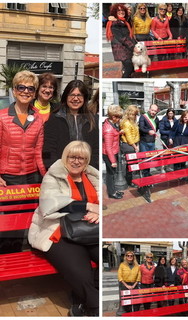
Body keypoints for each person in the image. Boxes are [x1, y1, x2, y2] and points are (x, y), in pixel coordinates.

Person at [28, 141, 99, 317]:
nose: (76, 161)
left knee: (106, 260)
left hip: (90, 230)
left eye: (81, 158)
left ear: (87, 160)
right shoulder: (53, 175)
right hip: (57, 231)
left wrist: (99, 214)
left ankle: (81, 302)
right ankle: (94, 308)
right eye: (72, 157)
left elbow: (103, 205)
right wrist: (89, 206)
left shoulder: (93, 176)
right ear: (65, 157)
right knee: (82, 275)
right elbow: (49, 206)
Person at [0, 70, 46, 253]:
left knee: (25, 220)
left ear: (34, 93)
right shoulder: (2, 116)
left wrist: (44, 177)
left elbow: (38, 152)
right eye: (21, 87)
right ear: (14, 90)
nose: (26, 91)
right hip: (7, 178)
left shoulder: (38, 118)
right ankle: (5, 258)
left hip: (30, 177)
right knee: (6, 222)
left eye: (30, 88)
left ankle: (17, 253)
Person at [43, 80, 99, 170]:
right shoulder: (55, 118)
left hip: (87, 170)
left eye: (79, 95)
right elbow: (48, 149)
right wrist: (55, 169)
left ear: (84, 98)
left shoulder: (92, 119)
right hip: (61, 170)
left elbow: (96, 148)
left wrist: (90, 168)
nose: (75, 99)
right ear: (65, 97)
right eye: (72, 95)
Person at [106, 3, 136, 78]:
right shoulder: (116, 23)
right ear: (115, 12)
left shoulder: (124, 22)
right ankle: (124, 79)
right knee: (129, 67)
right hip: (121, 49)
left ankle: (127, 78)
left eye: (123, 10)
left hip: (125, 49)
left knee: (130, 68)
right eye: (118, 10)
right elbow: (122, 38)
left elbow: (129, 36)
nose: (121, 12)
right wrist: (133, 47)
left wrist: (136, 44)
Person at [102, 105, 124, 199]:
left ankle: (113, 190)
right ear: (114, 117)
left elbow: (112, 138)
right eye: (119, 117)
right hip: (109, 154)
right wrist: (113, 161)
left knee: (112, 174)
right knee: (111, 174)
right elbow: (108, 147)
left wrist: (119, 133)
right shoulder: (108, 129)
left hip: (111, 153)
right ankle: (112, 193)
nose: (120, 119)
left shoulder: (110, 124)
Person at [120, 105, 140, 187]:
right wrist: (135, 147)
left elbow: (136, 134)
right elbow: (129, 137)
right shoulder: (126, 123)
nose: (136, 116)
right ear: (131, 114)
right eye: (135, 114)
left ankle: (131, 179)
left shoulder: (132, 122)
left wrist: (137, 145)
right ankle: (129, 181)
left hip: (133, 144)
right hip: (128, 145)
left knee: (132, 164)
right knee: (130, 164)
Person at [139, 104, 159, 177]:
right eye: (152, 110)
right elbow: (141, 128)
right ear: (149, 109)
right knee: (144, 159)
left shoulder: (156, 119)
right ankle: (144, 174)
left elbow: (157, 128)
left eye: (155, 111)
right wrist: (148, 131)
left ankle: (147, 172)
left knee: (150, 158)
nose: (153, 112)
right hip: (144, 141)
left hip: (152, 142)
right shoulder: (143, 117)